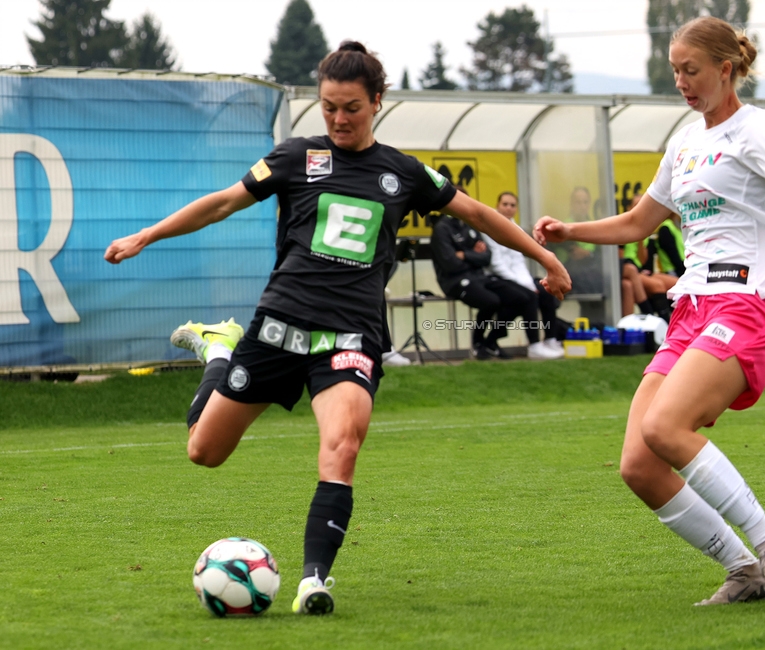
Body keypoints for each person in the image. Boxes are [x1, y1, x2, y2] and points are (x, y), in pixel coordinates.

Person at [104, 41, 571, 615]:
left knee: (342, 446)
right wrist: (146, 236)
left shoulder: (402, 172)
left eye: (351, 107)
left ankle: (313, 581)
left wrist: (545, 260)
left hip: (350, 337)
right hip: (278, 327)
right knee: (204, 450)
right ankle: (221, 351)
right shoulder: (295, 157)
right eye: (328, 106)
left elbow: (479, 214)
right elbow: (223, 203)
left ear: (377, 101)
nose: (339, 118)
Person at [534, 16, 765, 606]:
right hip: (690, 310)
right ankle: (744, 570)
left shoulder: (756, 129)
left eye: (691, 70)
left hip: (744, 308)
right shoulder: (684, 142)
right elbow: (639, 222)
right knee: (637, 463)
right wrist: (568, 229)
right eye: (675, 72)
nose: (682, 82)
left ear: (725, 69)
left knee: (665, 427)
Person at [430, 190, 547, 360]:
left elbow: (486, 257)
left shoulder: (469, 225)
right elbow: (451, 264)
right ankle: (477, 344)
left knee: (525, 297)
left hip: (479, 276)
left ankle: (491, 341)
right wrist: (473, 254)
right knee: (491, 301)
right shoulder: (442, 228)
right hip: (455, 281)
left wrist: (464, 254)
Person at [482, 191, 563, 358]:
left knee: (544, 290)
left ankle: (550, 339)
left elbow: (518, 260)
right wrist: (525, 285)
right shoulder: (490, 226)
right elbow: (496, 263)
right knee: (528, 297)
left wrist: (528, 283)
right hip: (496, 278)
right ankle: (534, 345)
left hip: (516, 278)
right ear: (498, 205)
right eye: (505, 204)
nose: (509, 208)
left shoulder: (515, 227)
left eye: (512, 205)